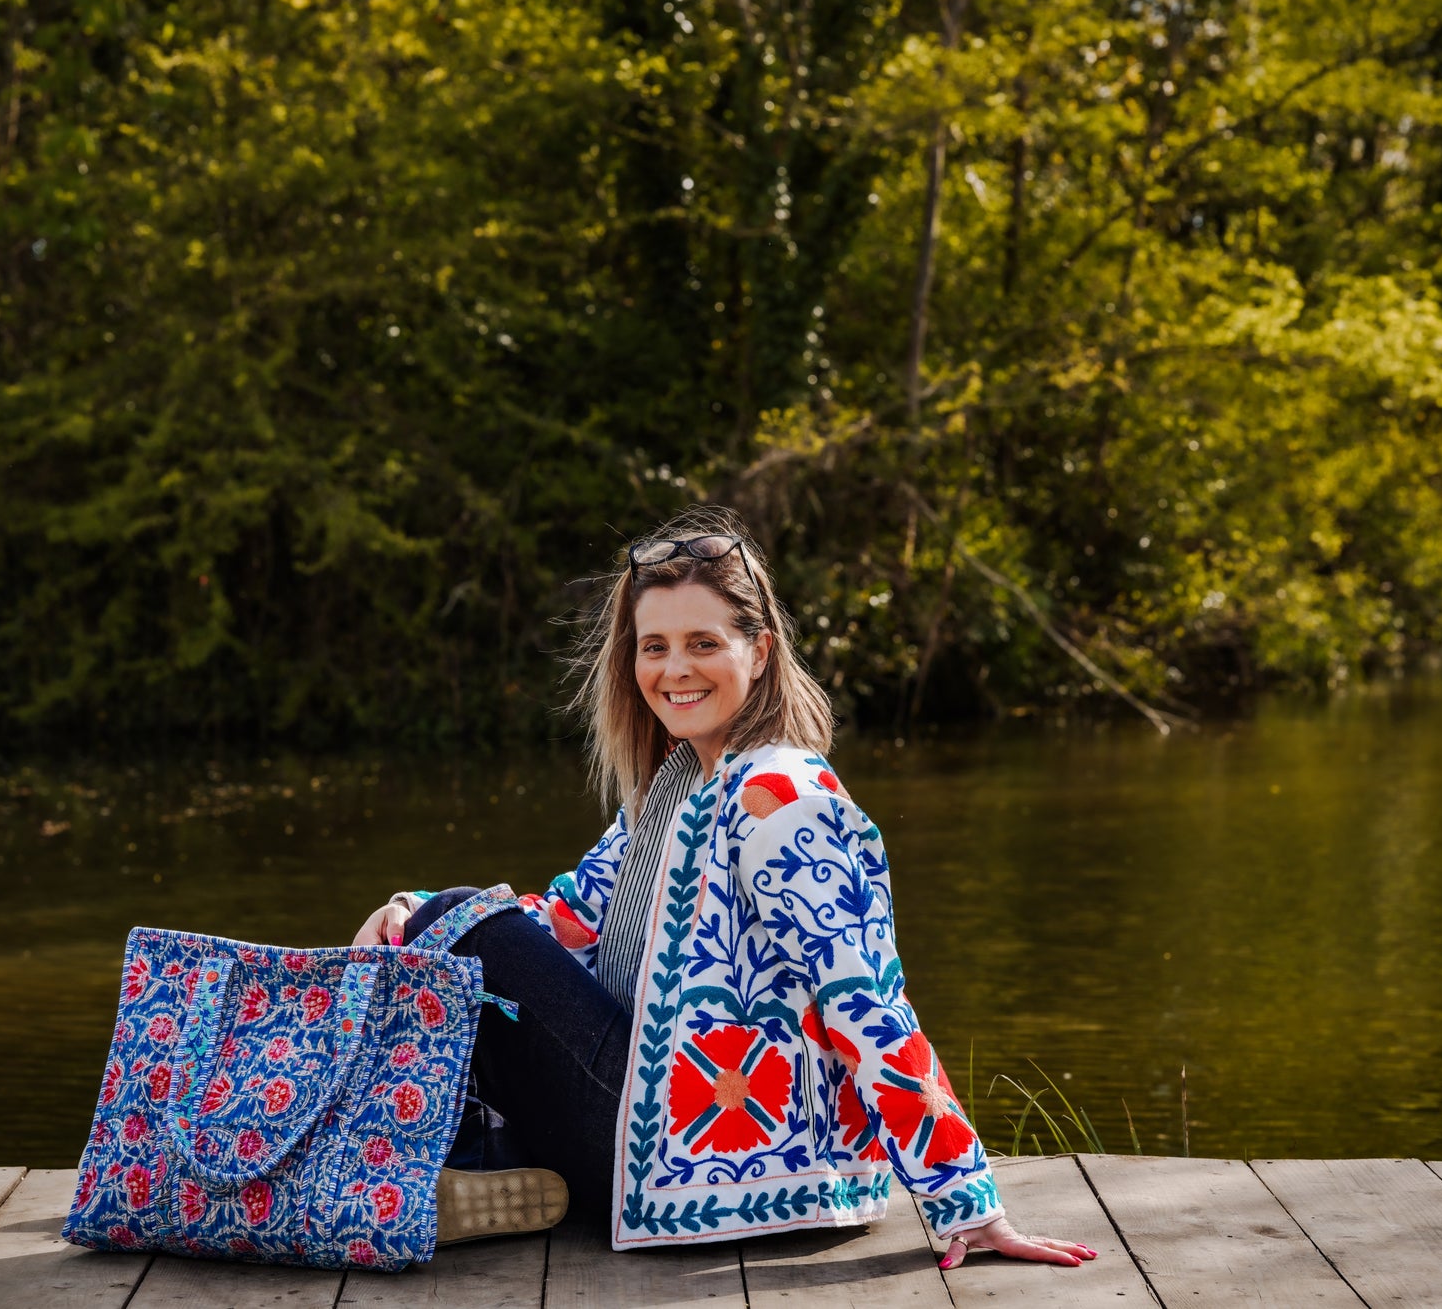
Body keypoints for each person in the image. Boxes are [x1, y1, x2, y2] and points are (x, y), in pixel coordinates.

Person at [355, 506, 1097, 1271]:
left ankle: (432, 1159)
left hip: (710, 1161)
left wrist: (967, 1199)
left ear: (760, 650)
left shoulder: (781, 799)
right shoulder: (674, 785)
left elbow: (867, 999)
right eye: (655, 646)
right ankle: (471, 1159)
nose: (675, 668)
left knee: (467, 922)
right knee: (457, 928)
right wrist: (410, 911)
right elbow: (568, 921)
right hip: (654, 1136)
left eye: (703, 643)